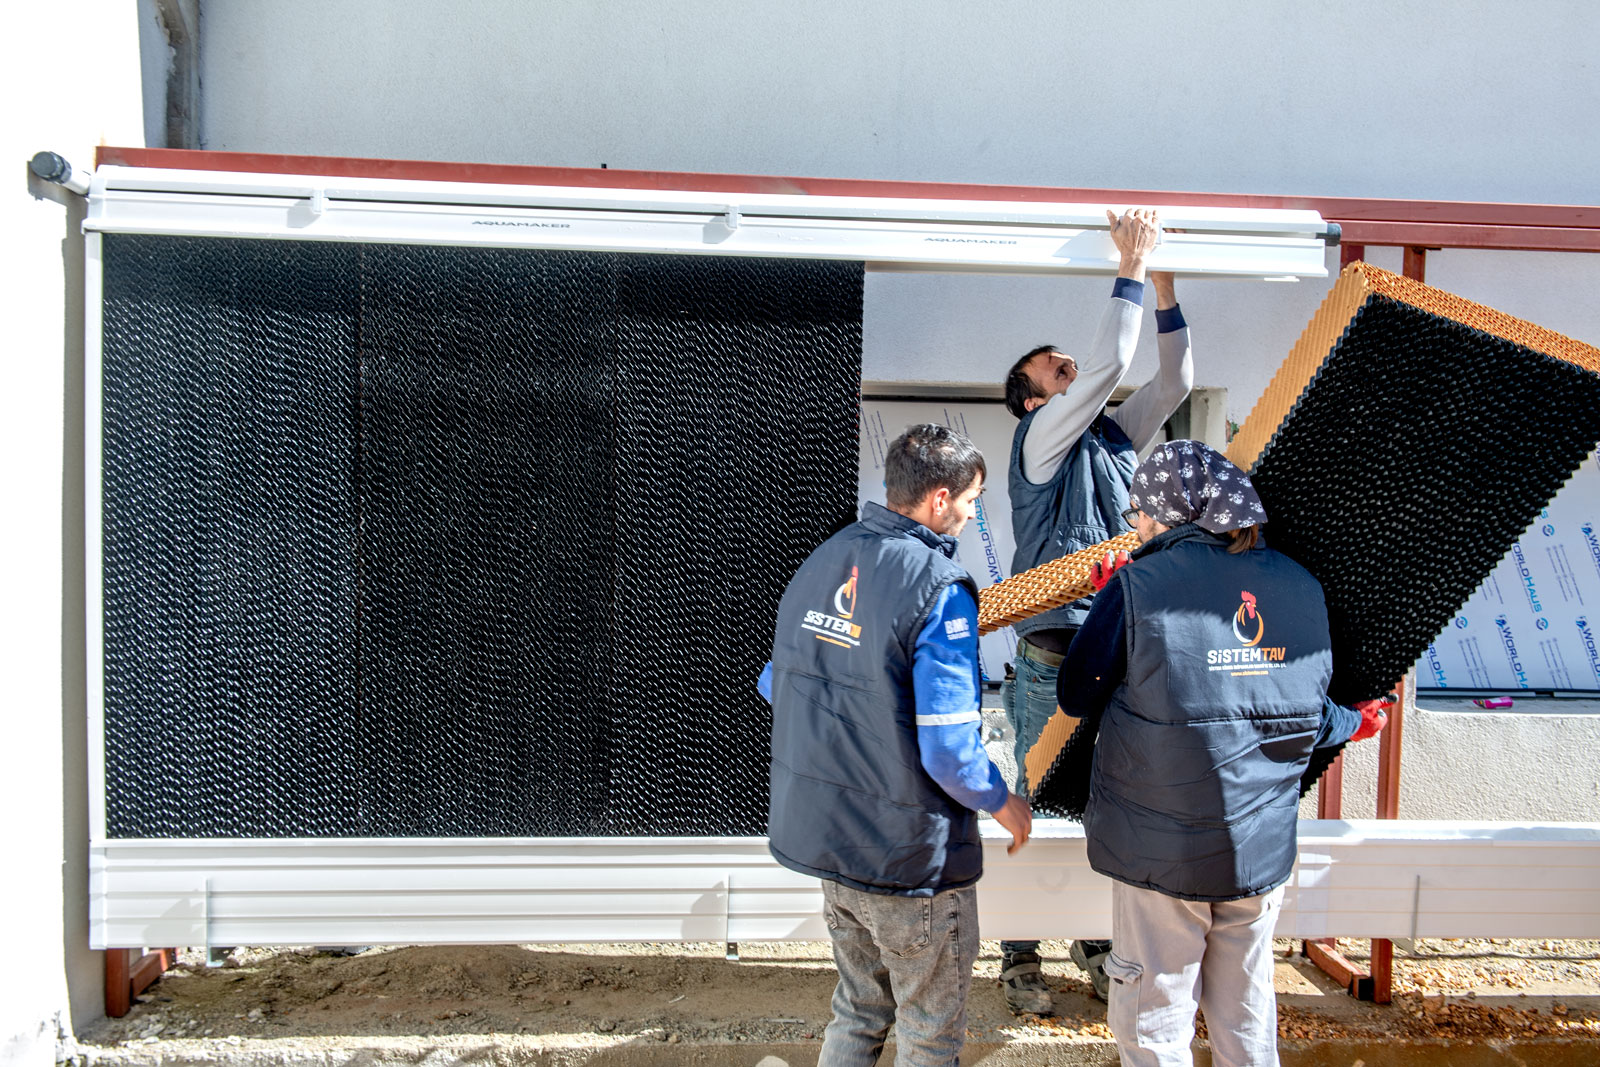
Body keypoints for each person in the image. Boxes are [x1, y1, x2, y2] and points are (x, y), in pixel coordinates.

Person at [1055, 441, 1390, 1067]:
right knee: (1245, 1014)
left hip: (1161, 855)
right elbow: (1310, 713)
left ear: (1167, 512)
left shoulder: (1136, 585)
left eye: (1138, 512)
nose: (1135, 525)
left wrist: (1111, 605)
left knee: (1155, 1023)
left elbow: (1077, 694)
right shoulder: (1301, 585)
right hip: (1258, 850)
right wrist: (1357, 723)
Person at [759, 423, 1033, 1067]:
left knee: (858, 1011)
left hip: (829, 844)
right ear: (939, 499)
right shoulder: (941, 586)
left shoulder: (824, 559)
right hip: (908, 861)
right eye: (972, 500)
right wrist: (1004, 802)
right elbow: (949, 751)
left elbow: (777, 685)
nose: (972, 514)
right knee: (929, 1030)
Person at [998, 208, 1194, 1011]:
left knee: (1102, 797)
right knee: (1036, 791)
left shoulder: (1111, 439)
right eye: (1051, 367)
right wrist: (1132, 264)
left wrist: (1166, 289)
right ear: (1030, 400)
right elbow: (1113, 358)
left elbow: (1175, 383)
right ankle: (1019, 951)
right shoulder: (1040, 441)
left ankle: (1087, 932)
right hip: (1051, 655)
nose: (1066, 364)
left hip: (1112, 648)